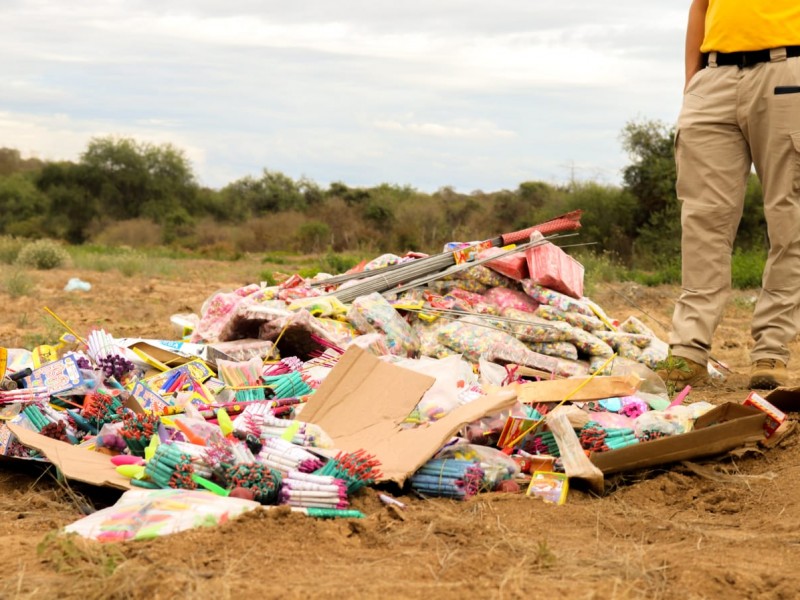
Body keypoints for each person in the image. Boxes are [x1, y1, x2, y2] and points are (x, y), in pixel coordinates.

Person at [659, 0, 800, 390]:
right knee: (703, 220)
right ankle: (688, 351)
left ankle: (771, 348)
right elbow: (700, 7)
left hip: (788, 71)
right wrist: (693, 84)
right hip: (715, 76)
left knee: (790, 218)